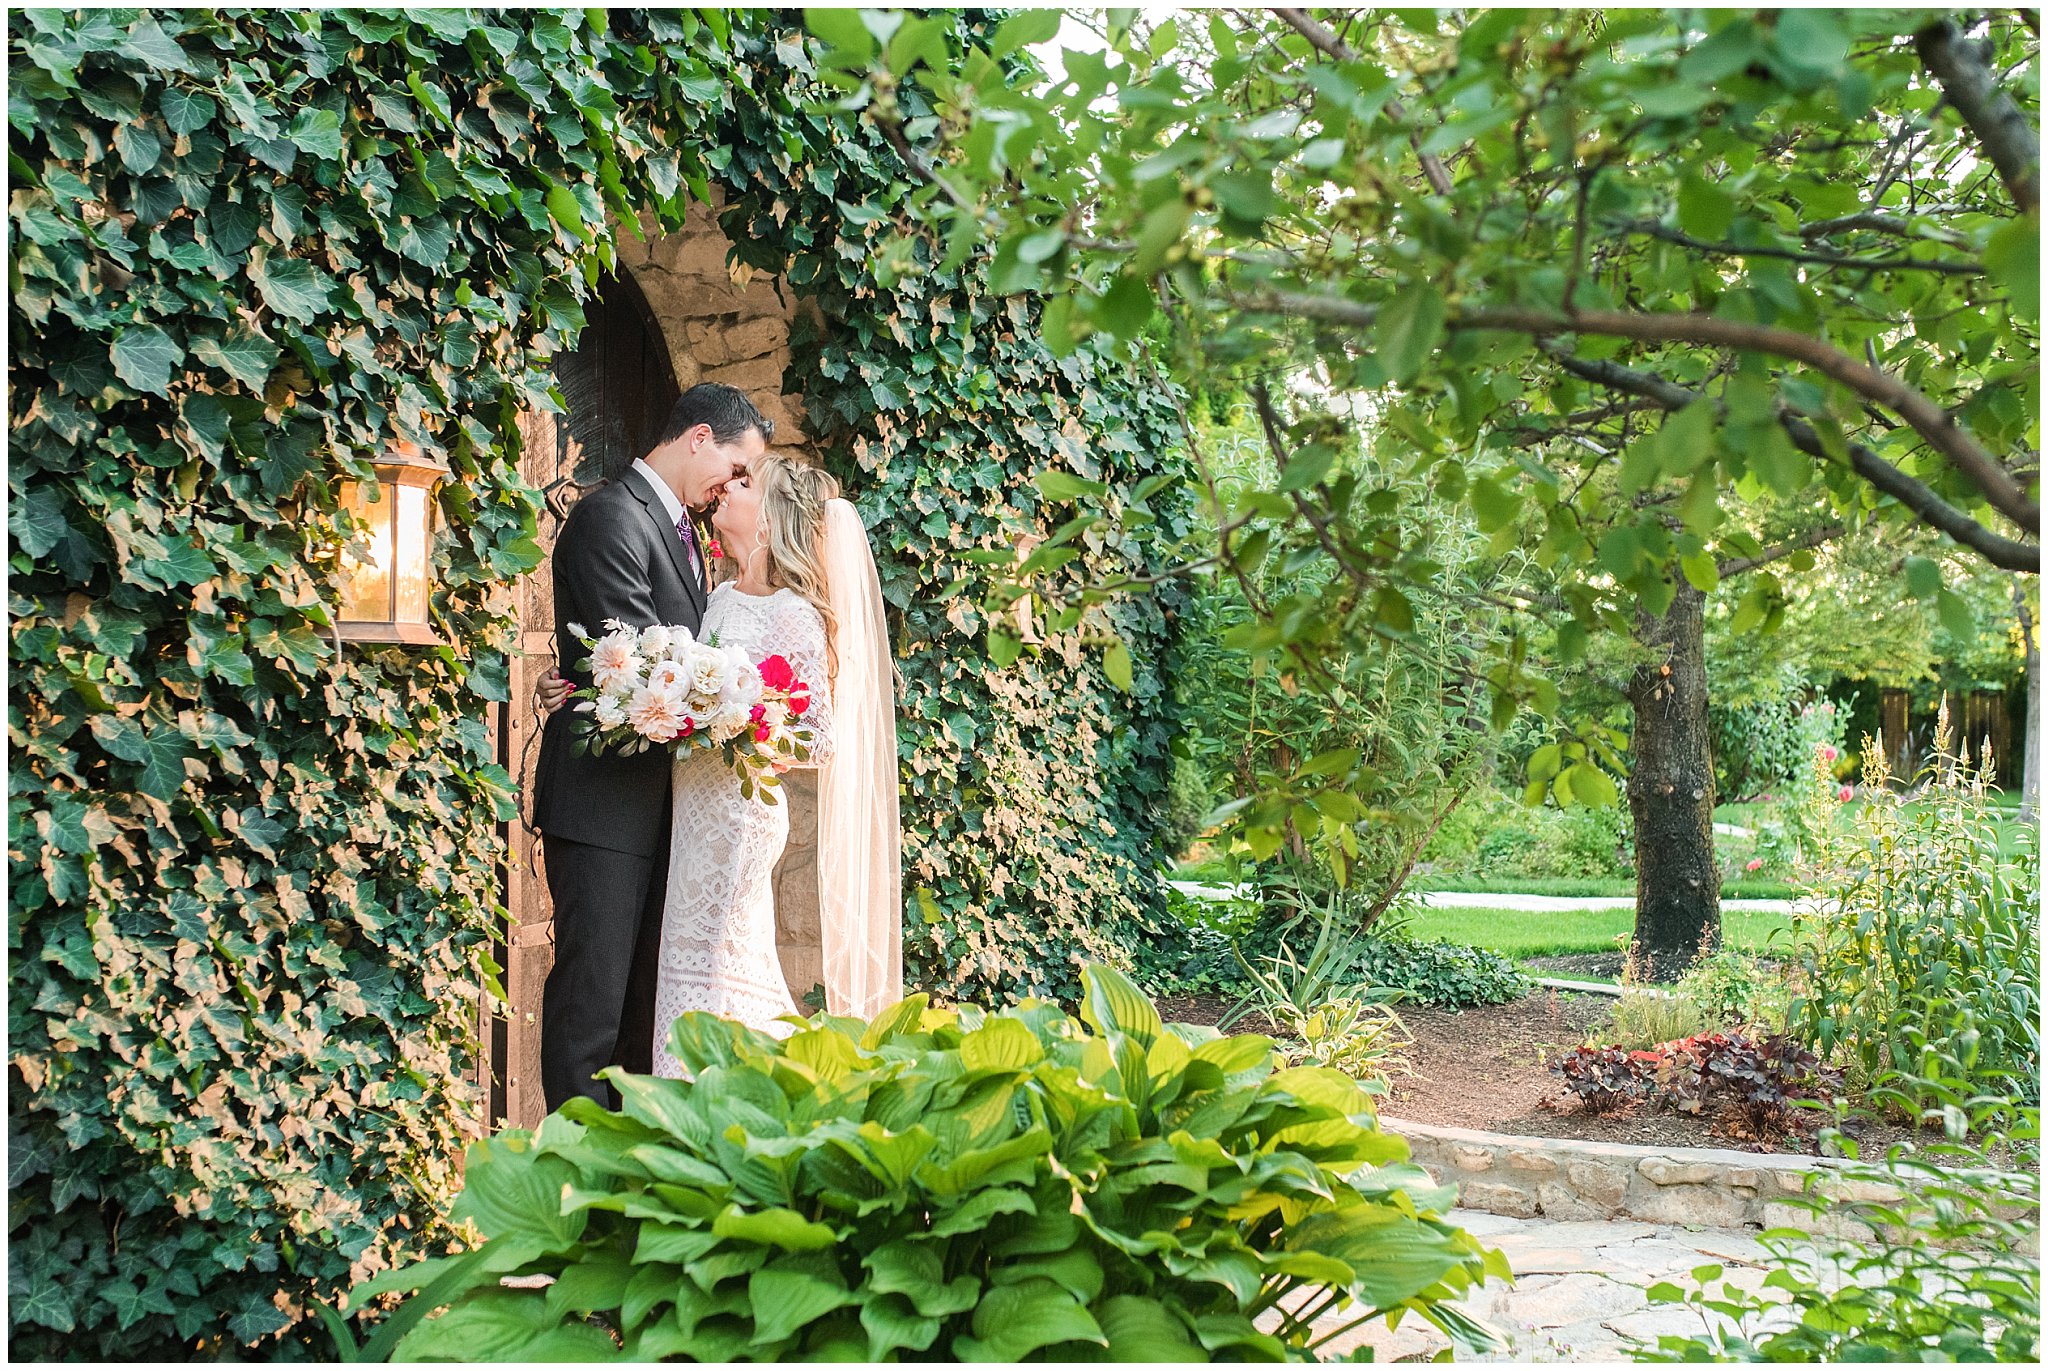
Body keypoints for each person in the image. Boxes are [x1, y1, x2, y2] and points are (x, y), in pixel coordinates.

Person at [537, 451, 902, 1062]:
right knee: (681, 971)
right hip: (689, 811)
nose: (727, 488)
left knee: (717, 967)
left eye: (744, 482)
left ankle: (740, 1094)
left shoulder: (795, 615)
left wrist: (741, 719)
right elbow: (670, 672)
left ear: (771, 516)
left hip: (737, 818)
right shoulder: (719, 596)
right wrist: (578, 682)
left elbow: (818, 737)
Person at [529, 383, 769, 1111]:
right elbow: (638, 665)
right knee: (591, 1010)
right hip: (604, 809)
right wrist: (746, 701)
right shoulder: (610, 518)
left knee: (640, 1017)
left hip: (656, 810)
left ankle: (624, 1184)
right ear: (699, 437)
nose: (734, 488)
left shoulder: (679, 534)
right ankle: (571, 1178)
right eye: (734, 468)